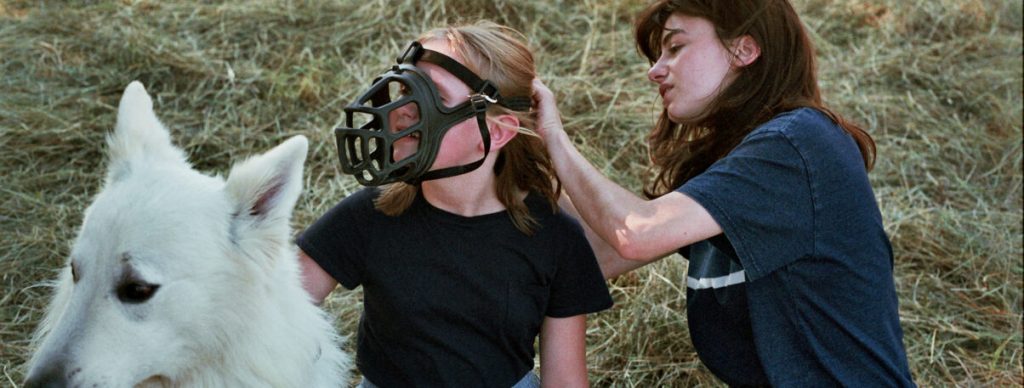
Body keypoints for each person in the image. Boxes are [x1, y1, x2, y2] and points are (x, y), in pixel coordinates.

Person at [531, 0, 915, 386]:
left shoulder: (798, 144)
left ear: (743, 49)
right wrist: (520, 157)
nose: (655, 71)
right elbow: (598, 255)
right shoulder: (737, 171)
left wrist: (555, 138)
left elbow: (634, 233)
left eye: (676, 47)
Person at [298, 21, 612, 388]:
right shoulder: (371, 214)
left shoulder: (555, 237)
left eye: (431, 95)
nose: (401, 109)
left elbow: (565, 382)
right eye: (404, 88)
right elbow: (270, 311)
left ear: (496, 132)